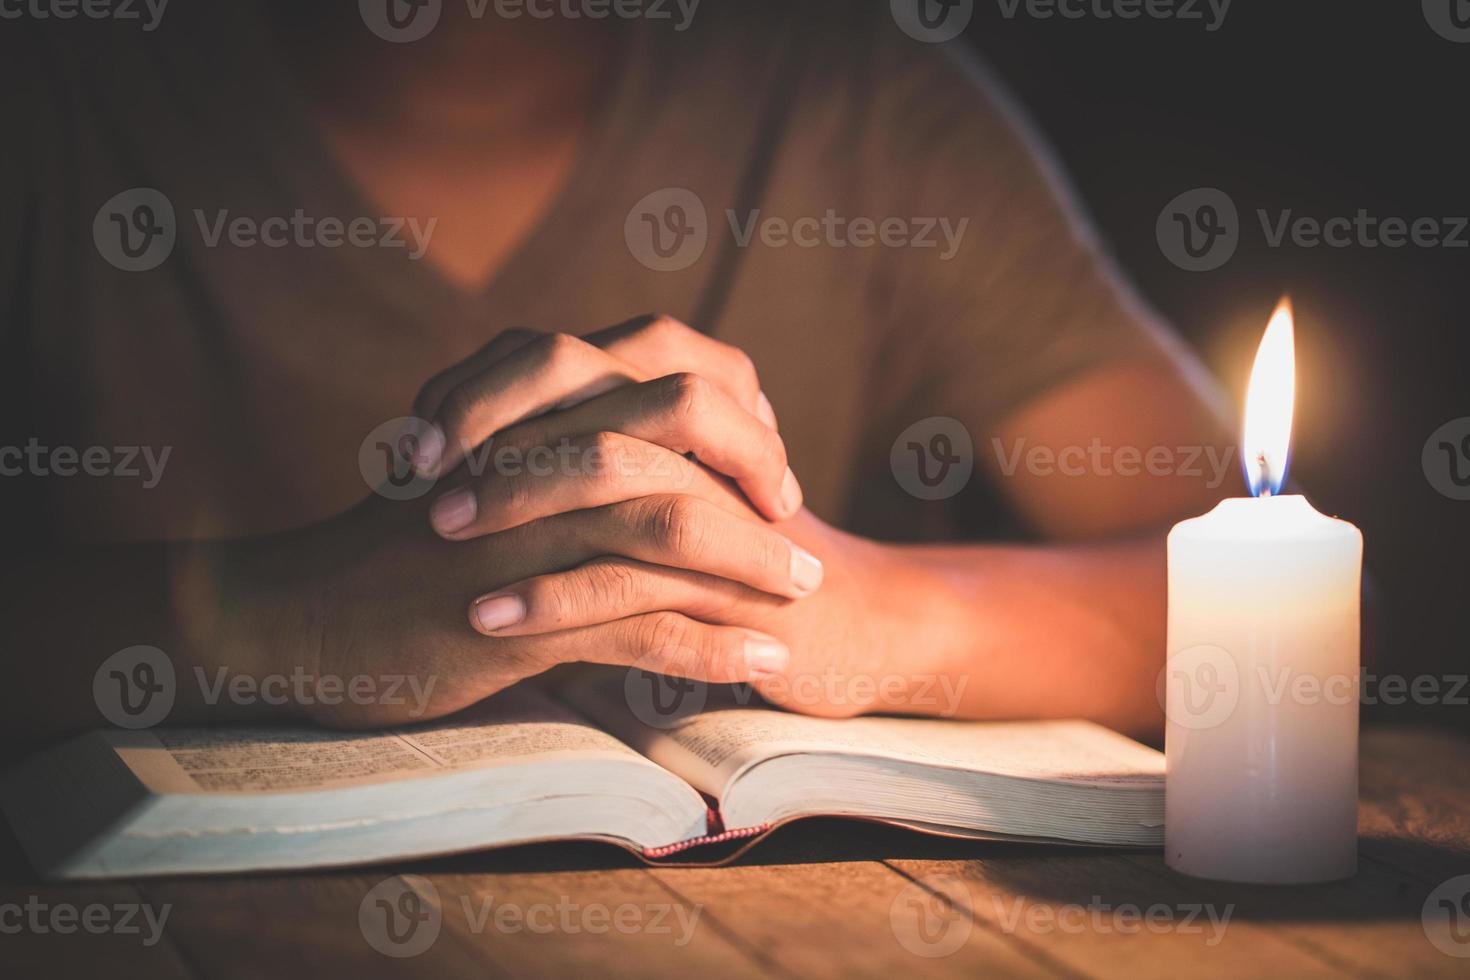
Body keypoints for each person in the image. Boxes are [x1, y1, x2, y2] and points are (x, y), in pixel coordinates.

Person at [0, 0, 1232, 751]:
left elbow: (1285, 591)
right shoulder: (58, 85)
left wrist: (845, 602)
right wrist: (279, 618)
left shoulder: (854, 94)